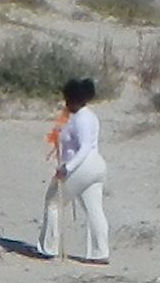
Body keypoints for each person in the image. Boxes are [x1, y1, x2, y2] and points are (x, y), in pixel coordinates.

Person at [39, 75, 111, 266]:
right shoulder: (88, 116)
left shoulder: (81, 119)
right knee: (94, 208)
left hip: (83, 165)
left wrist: (67, 168)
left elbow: (85, 147)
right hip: (96, 165)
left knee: (53, 202)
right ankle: (99, 252)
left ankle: (49, 248)